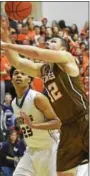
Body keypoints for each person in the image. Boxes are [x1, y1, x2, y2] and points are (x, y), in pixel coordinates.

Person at [1, 16, 89, 176]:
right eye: (48, 42)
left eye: (54, 42)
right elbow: (17, 62)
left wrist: (6, 44)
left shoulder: (66, 59)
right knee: (64, 173)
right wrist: (5, 33)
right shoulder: (44, 70)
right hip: (67, 127)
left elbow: (36, 52)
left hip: (84, 119)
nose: (49, 43)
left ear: (63, 49)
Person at [9, 67, 60, 176]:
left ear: (29, 79)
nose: (18, 75)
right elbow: (24, 126)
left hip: (50, 149)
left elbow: (57, 123)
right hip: (31, 149)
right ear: (11, 80)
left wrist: (33, 125)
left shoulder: (37, 98)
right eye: (16, 73)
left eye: (23, 73)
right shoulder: (13, 103)